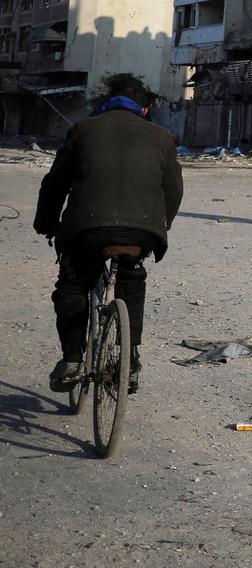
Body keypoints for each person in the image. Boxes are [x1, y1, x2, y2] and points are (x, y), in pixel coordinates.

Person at [34, 74, 183, 396]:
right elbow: (173, 190)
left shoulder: (83, 129)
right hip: (142, 232)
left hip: (86, 230)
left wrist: (45, 223)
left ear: (105, 102)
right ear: (144, 109)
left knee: (73, 284)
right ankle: (129, 360)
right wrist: (160, 226)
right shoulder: (161, 136)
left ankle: (72, 360)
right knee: (131, 282)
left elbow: (55, 183)